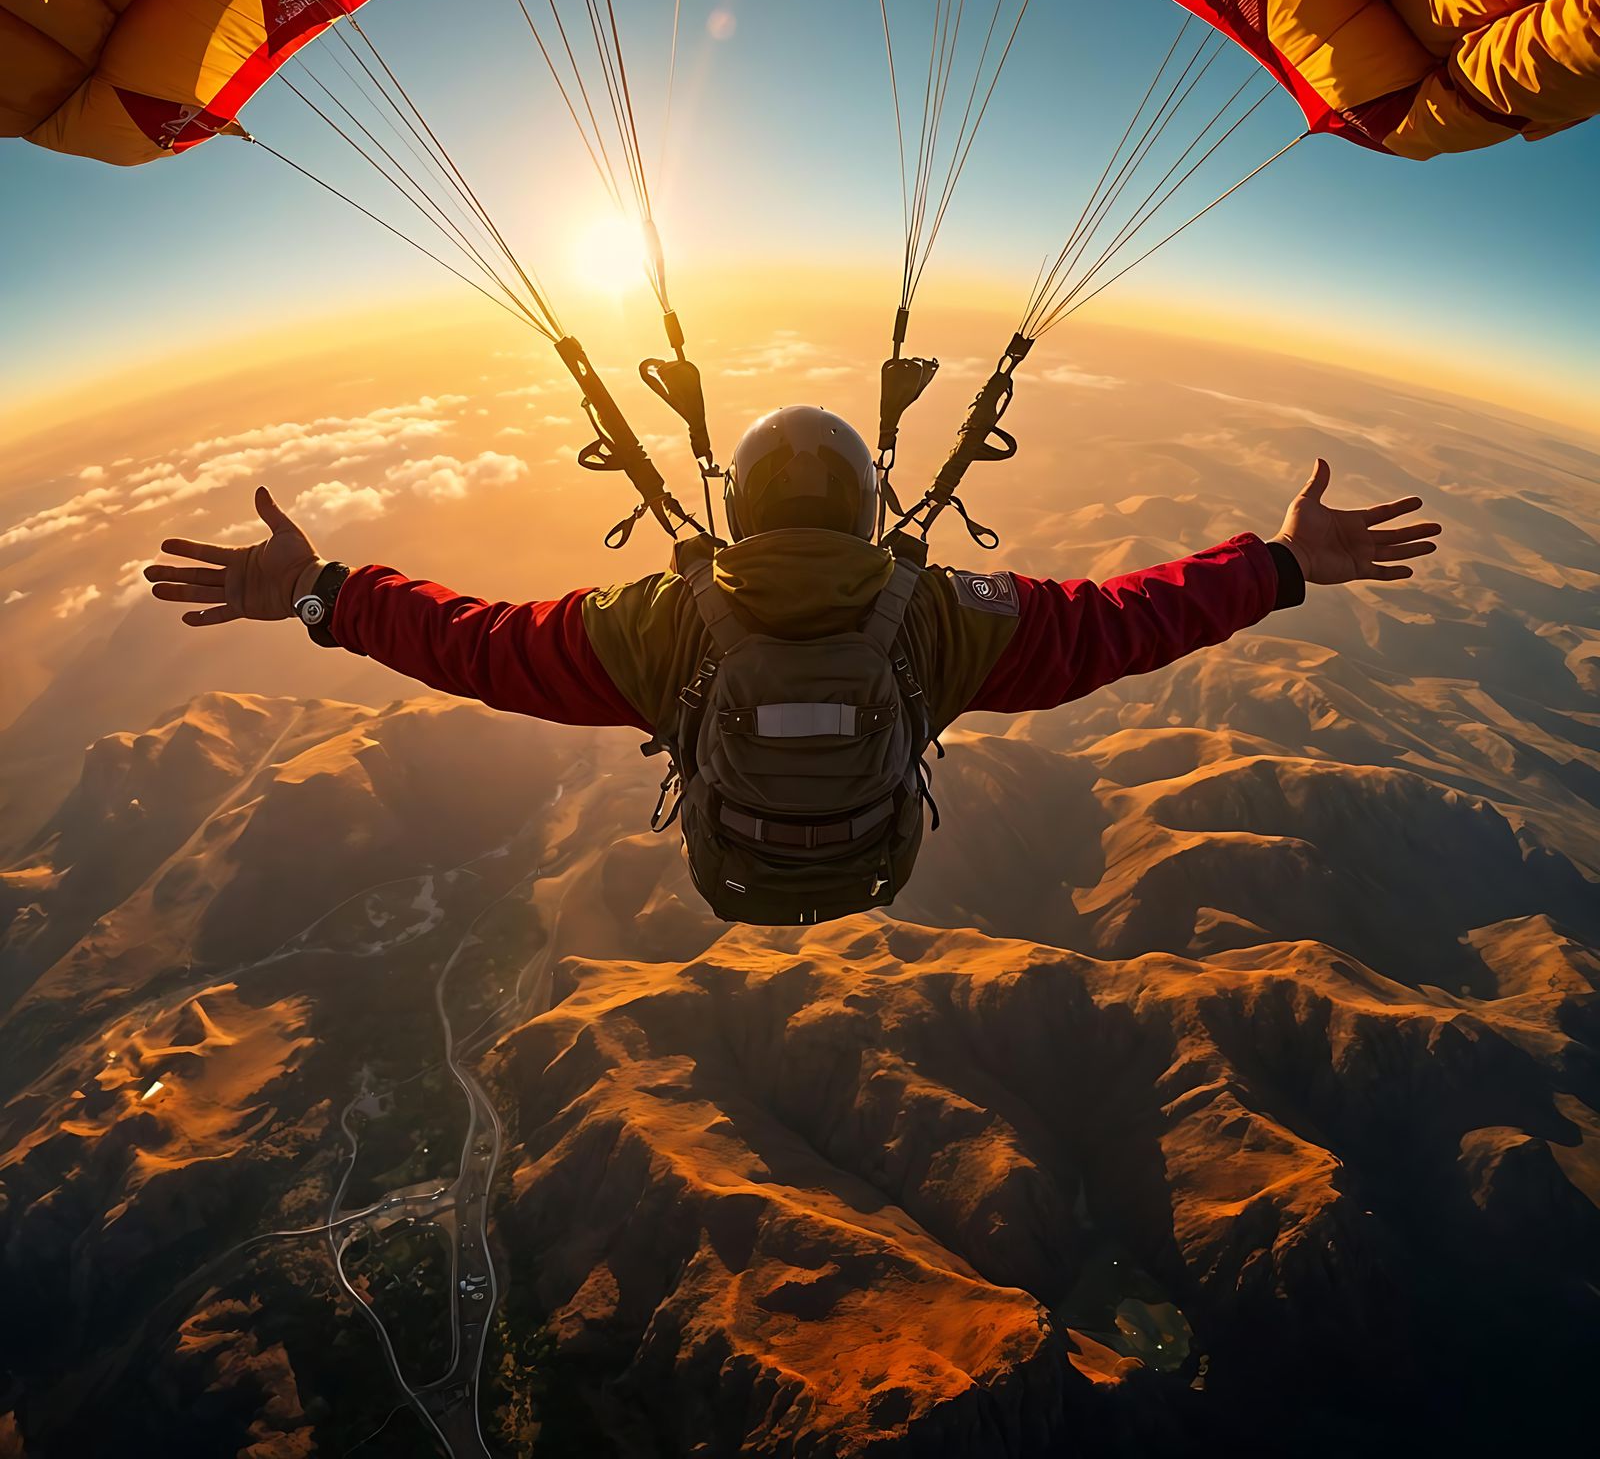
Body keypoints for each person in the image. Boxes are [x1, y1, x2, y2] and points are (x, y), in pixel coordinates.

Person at [146, 405, 1440, 923]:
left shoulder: (660, 624)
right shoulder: (945, 618)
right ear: (870, 516)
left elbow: (473, 647)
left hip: (732, 857)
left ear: (745, 510)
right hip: (879, 853)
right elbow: (1120, 624)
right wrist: (1278, 566)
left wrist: (318, 596)